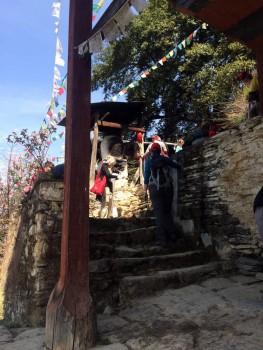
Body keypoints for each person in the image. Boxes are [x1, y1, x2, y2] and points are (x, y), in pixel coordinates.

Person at [143, 142, 181, 247]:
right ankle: (173, 235)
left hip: (154, 189)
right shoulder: (164, 159)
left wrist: (144, 191)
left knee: (159, 214)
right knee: (167, 212)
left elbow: (146, 176)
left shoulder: (148, 161)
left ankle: (162, 240)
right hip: (167, 188)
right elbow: (176, 166)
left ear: (151, 151)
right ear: (160, 150)